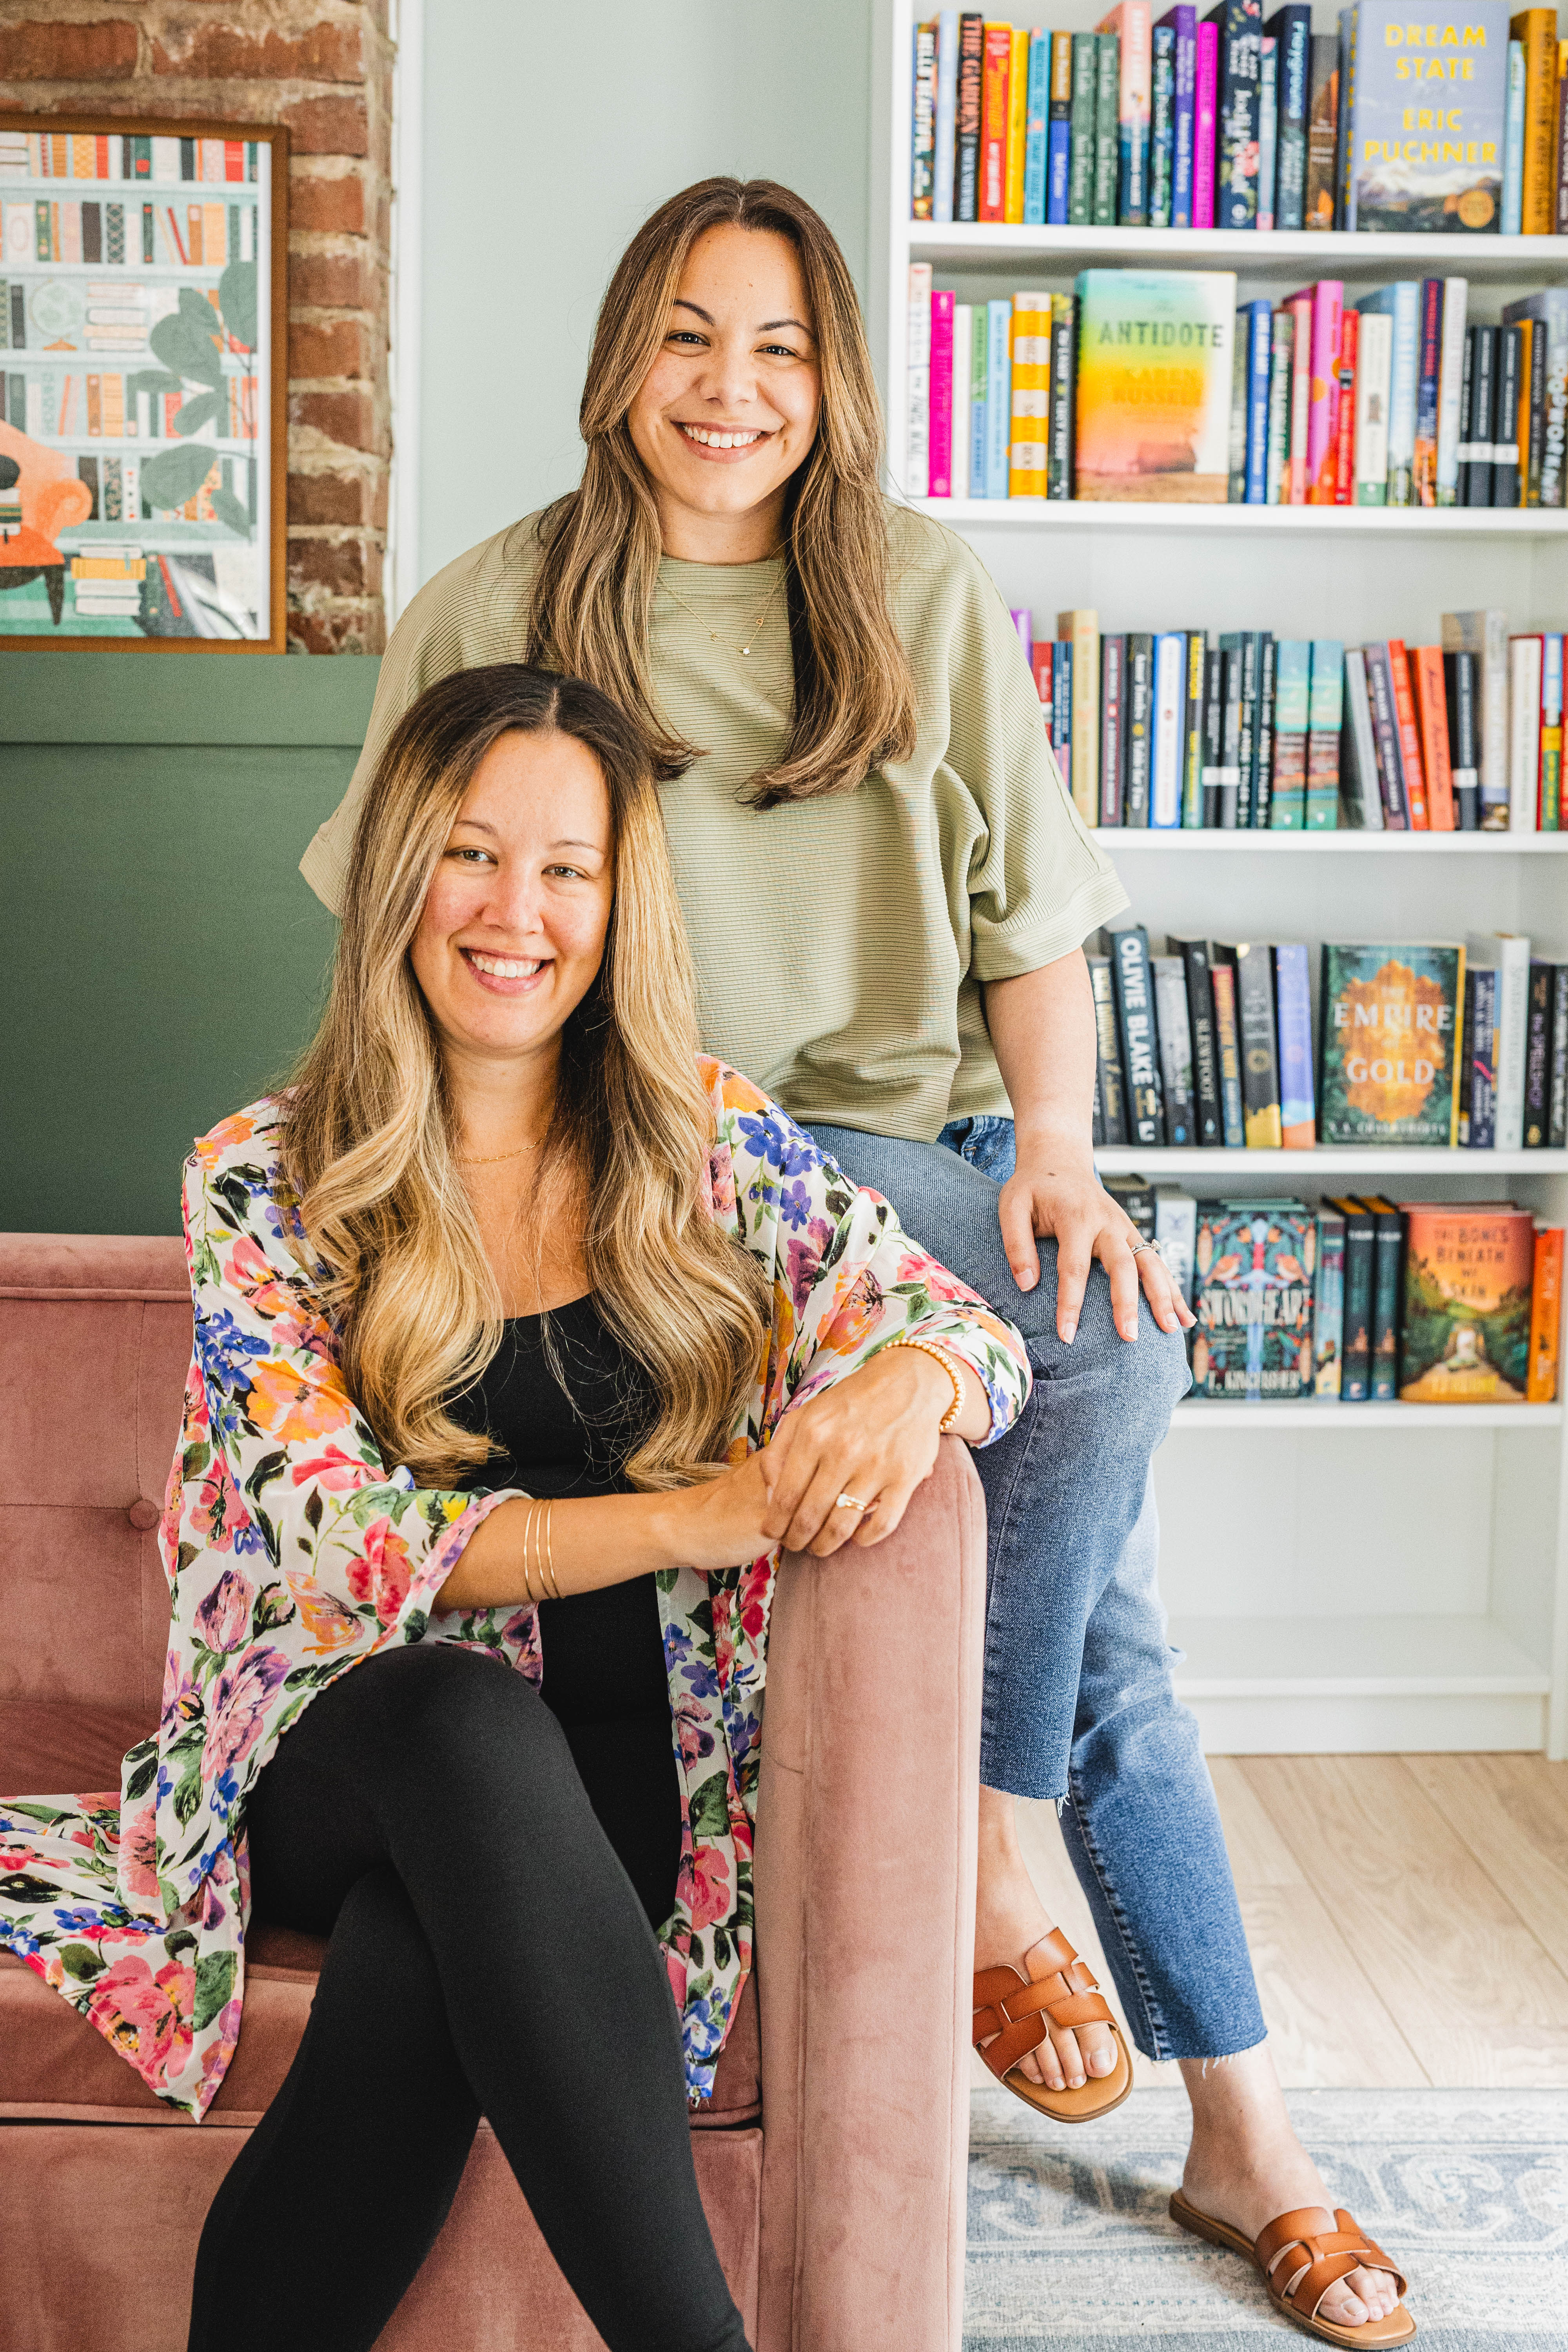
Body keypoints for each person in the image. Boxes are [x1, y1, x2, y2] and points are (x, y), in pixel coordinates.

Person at [298, 181, 1415, 2347]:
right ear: (625, 355)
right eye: (693, 339)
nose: (735, 391)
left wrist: (1068, 1154)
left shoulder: (913, 589)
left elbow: (1037, 919)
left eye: (785, 348)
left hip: (926, 1152)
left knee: (1099, 1470)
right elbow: (402, 927)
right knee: (1099, 1411)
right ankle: (1211, 2094)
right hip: (674, 1153)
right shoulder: (497, 600)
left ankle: (1204, 2089)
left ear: (838, 383)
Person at [0, 663, 1032, 2352]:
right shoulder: (267, 1179)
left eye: (567, 869)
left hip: (622, 1805)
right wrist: (692, 1517)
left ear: (621, 904)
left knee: (423, 1962)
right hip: (343, 1762)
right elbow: (342, 1540)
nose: (515, 913)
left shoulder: (707, 1144)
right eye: (473, 856)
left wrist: (904, 1382)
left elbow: (965, 1329)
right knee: (460, 1720)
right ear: (404, 869)